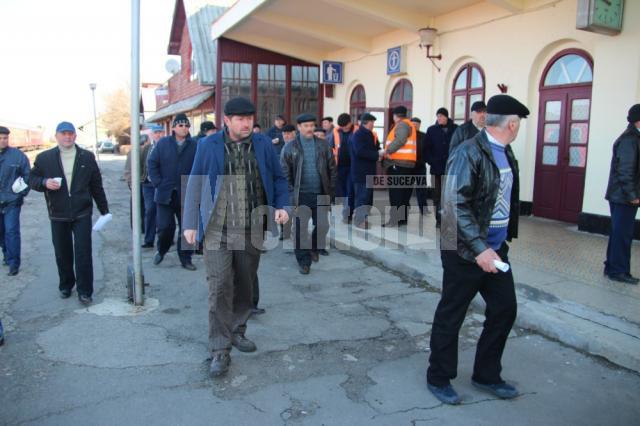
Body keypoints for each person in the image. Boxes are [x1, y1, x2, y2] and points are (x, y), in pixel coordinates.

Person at [426, 94, 528, 405]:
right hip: (462, 249)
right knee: (452, 313)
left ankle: (486, 374)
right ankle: (438, 377)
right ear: (511, 124)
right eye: (519, 123)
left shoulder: (506, 152)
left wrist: (496, 244)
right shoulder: (467, 151)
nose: (518, 128)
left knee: (504, 309)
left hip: (495, 250)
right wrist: (480, 249)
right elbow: (454, 205)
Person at [182, 97, 289, 377]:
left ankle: (238, 330)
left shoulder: (263, 143)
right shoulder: (208, 145)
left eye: (249, 118)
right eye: (239, 119)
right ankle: (219, 349)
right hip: (218, 226)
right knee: (219, 286)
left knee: (244, 284)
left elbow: (278, 178)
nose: (246, 123)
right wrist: (190, 222)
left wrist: (282, 205)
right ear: (226, 121)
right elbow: (196, 181)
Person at [29, 121, 109, 305]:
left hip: (82, 213)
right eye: (63, 133)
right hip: (58, 213)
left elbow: (96, 185)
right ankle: (66, 284)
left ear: (75, 136)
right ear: (56, 136)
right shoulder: (44, 158)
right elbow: (31, 178)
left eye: (70, 134)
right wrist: (44, 182)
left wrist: (104, 209)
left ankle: (85, 291)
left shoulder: (86, 157)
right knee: (62, 252)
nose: (67, 137)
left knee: (83, 252)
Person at [281, 113, 336, 275]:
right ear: (299, 127)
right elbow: (285, 175)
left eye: (312, 125)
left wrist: (331, 192)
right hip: (301, 196)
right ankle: (304, 261)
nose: (310, 128)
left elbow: (332, 169)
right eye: (306, 126)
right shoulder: (290, 147)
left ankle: (313, 248)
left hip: (320, 193)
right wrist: (290, 196)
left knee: (323, 225)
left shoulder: (324, 145)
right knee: (300, 230)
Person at [147, 113, 197, 270]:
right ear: (174, 127)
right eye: (180, 125)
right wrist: (158, 183)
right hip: (165, 193)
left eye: (186, 125)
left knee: (187, 227)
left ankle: (186, 258)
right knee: (165, 227)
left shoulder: (195, 145)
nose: (183, 128)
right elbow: (152, 162)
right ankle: (162, 250)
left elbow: (201, 166)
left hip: (187, 193)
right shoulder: (163, 143)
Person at [604, 104, 640, 285]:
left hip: (621, 195)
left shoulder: (633, 137)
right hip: (623, 196)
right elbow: (625, 170)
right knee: (622, 234)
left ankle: (612, 267)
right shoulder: (630, 139)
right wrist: (633, 195)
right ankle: (618, 271)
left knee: (618, 233)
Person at [0, 126, 30, 276]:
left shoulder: (18, 156)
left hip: (12, 201)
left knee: (11, 231)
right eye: (0, 138)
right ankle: (6, 255)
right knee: (1, 232)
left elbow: (27, 175)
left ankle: (14, 263)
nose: (3, 141)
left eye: (5, 138)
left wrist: (21, 193)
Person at [382, 106, 417, 227]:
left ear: (395, 115)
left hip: (398, 164)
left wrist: (387, 151)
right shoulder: (409, 124)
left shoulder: (402, 125)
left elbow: (400, 140)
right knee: (404, 193)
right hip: (406, 165)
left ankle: (394, 220)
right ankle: (402, 219)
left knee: (396, 193)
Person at [425, 108, 458, 227]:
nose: (439, 118)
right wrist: (431, 161)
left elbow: (459, 147)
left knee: (449, 196)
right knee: (437, 195)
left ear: (446, 117)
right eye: (437, 116)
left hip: (451, 169)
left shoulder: (455, 129)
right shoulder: (431, 130)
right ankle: (439, 220)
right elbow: (426, 149)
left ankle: (448, 219)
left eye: (441, 116)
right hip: (436, 169)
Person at [351, 113, 381, 229]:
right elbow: (360, 151)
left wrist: (379, 151)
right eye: (372, 122)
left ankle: (362, 218)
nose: (373, 125)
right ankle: (359, 221)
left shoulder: (370, 134)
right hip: (360, 172)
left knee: (367, 197)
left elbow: (376, 147)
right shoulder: (358, 135)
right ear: (366, 123)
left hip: (368, 171)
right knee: (361, 197)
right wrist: (376, 154)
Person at [328, 113, 355, 223]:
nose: (345, 128)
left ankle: (347, 214)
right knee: (343, 192)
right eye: (342, 127)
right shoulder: (335, 132)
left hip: (353, 167)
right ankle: (347, 211)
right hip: (339, 167)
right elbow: (330, 148)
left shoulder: (357, 130)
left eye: (346, 126)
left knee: (350, 190)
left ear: (350, 121)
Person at [410, 117, 429, 215]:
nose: (415, 126)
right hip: (408, 166)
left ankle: (424, 209)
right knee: (407, 188)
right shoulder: (406, 136)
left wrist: (426, 159)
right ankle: (406, 206)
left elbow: (428, 149)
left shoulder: (424, 135)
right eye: (413, 124)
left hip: (420, 165)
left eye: (417, 124)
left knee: (422, 188)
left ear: (419, 125)